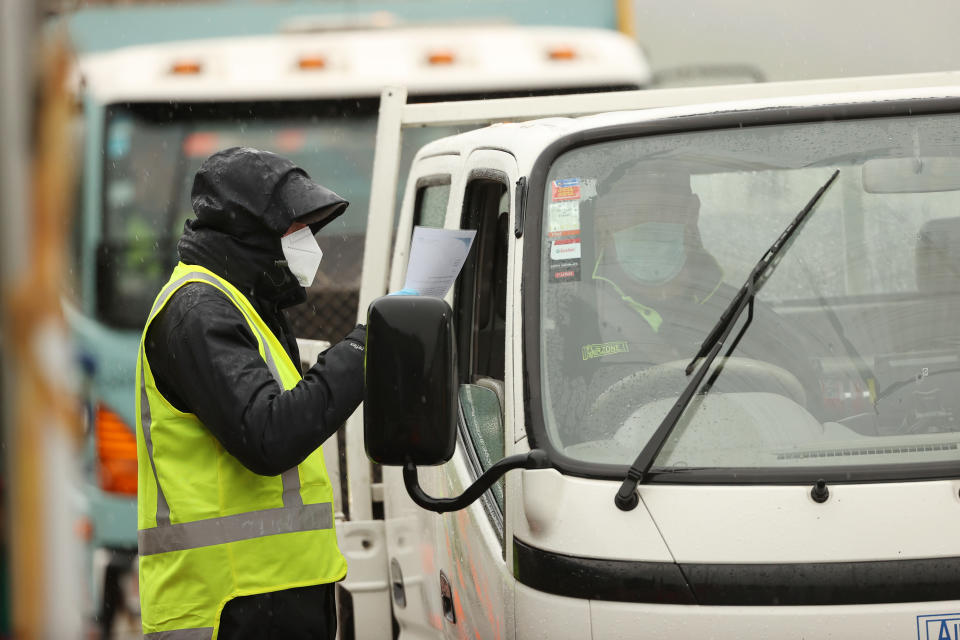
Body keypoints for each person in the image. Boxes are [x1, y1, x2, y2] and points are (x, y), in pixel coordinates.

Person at [135, 147, 365, 640]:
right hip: (229, 608)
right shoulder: (198, 310)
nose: (304, 242)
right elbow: (268, 435)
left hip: (266, 602)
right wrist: (362, 354)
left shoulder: (242, 304)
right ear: (249, 237)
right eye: (291, 229)